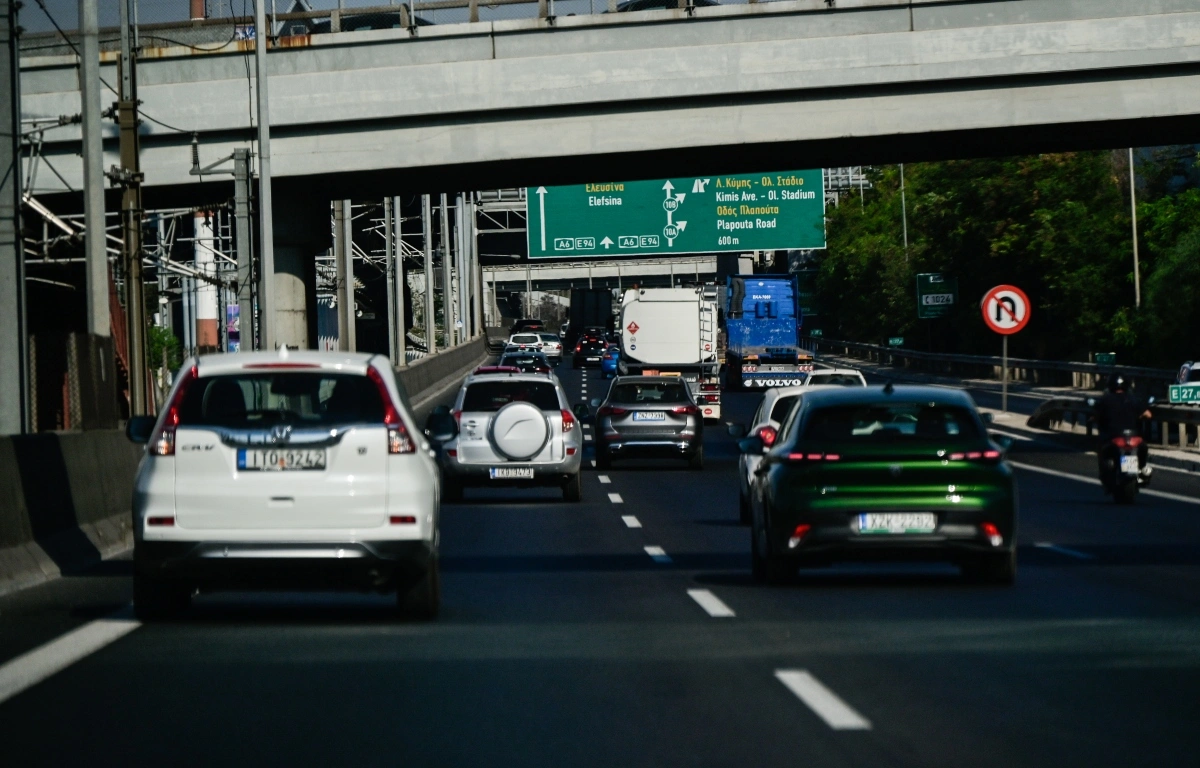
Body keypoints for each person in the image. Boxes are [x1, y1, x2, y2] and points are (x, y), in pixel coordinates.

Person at [1094, 374, 1152, 483]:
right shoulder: (1133, 399)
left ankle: (1141, 468)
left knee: (1100, 447)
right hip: (1133, 435)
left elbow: (1097, 415)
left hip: (1113, 435)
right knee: (1143, 447)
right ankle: (1143, 468)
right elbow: (1148, 415)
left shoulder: (1105, 400)